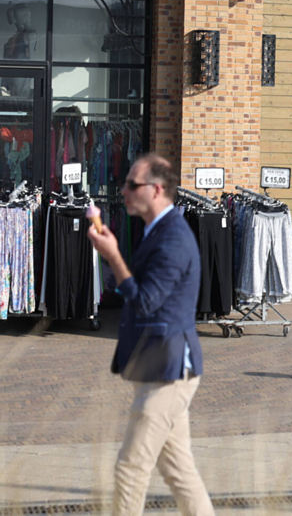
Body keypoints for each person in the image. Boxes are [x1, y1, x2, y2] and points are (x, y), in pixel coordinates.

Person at [86, 154, 214, 515]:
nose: (123, 190)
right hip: (159, 367)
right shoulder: (155, 229)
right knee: (179, 471)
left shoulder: (172, 237)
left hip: (168, 372)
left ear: (157, 190)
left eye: (132, 185)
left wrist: (112, 257)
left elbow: (145, 301)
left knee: (130, 470)